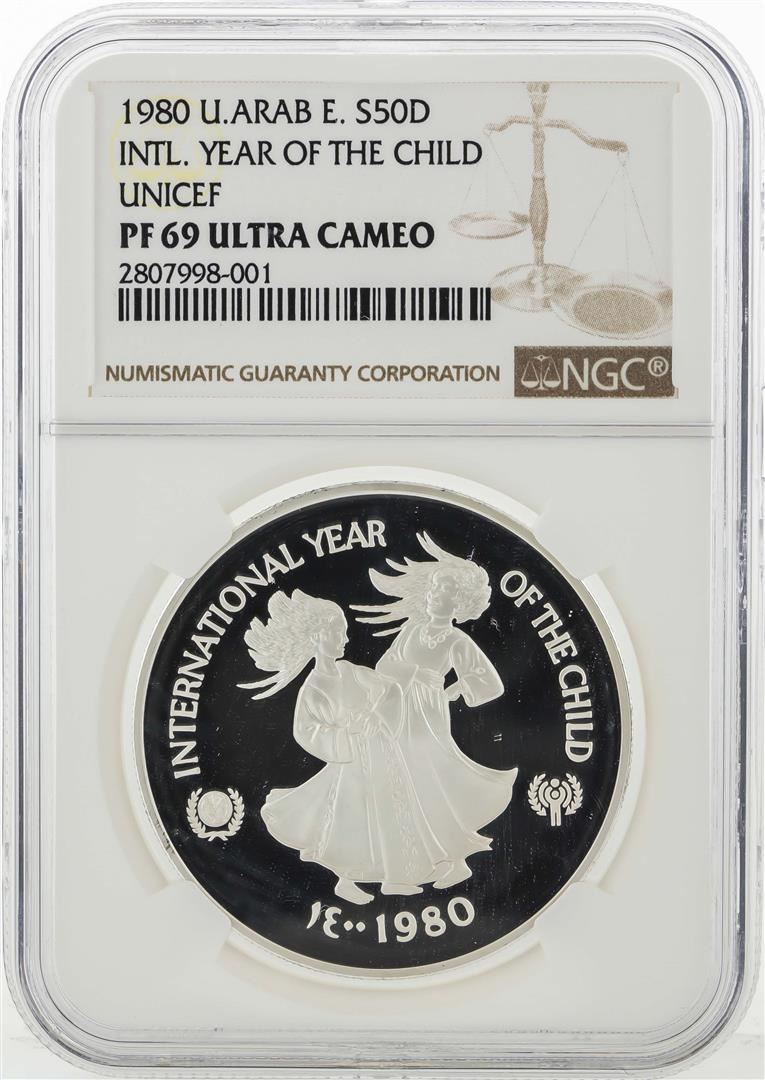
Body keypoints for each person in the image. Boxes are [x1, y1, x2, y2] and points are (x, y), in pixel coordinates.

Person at [239, 590, 447, 904]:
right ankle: (347, 880)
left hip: (383, 753)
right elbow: (306, 731)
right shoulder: (313, 689)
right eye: (339, 632)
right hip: (353, 762)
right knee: (352, 822)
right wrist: (346, 734)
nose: (346, 639)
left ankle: (400, 876)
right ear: (319, 636)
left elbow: (390, 690)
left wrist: (377, 716)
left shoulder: (349, 670)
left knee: (398, 812)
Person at [353, 533, 518, 889]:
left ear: (459, 602)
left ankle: (454, 861)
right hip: (396, 710)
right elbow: (385, 664)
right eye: (432, 590)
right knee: (400, 785)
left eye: (442, 592)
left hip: (427, 714)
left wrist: (454, 689)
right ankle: (411, 860)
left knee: (430, 783)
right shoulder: (411, 630)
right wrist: (409, 676)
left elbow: (490, 683)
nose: (433, 596)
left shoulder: (457, 641)